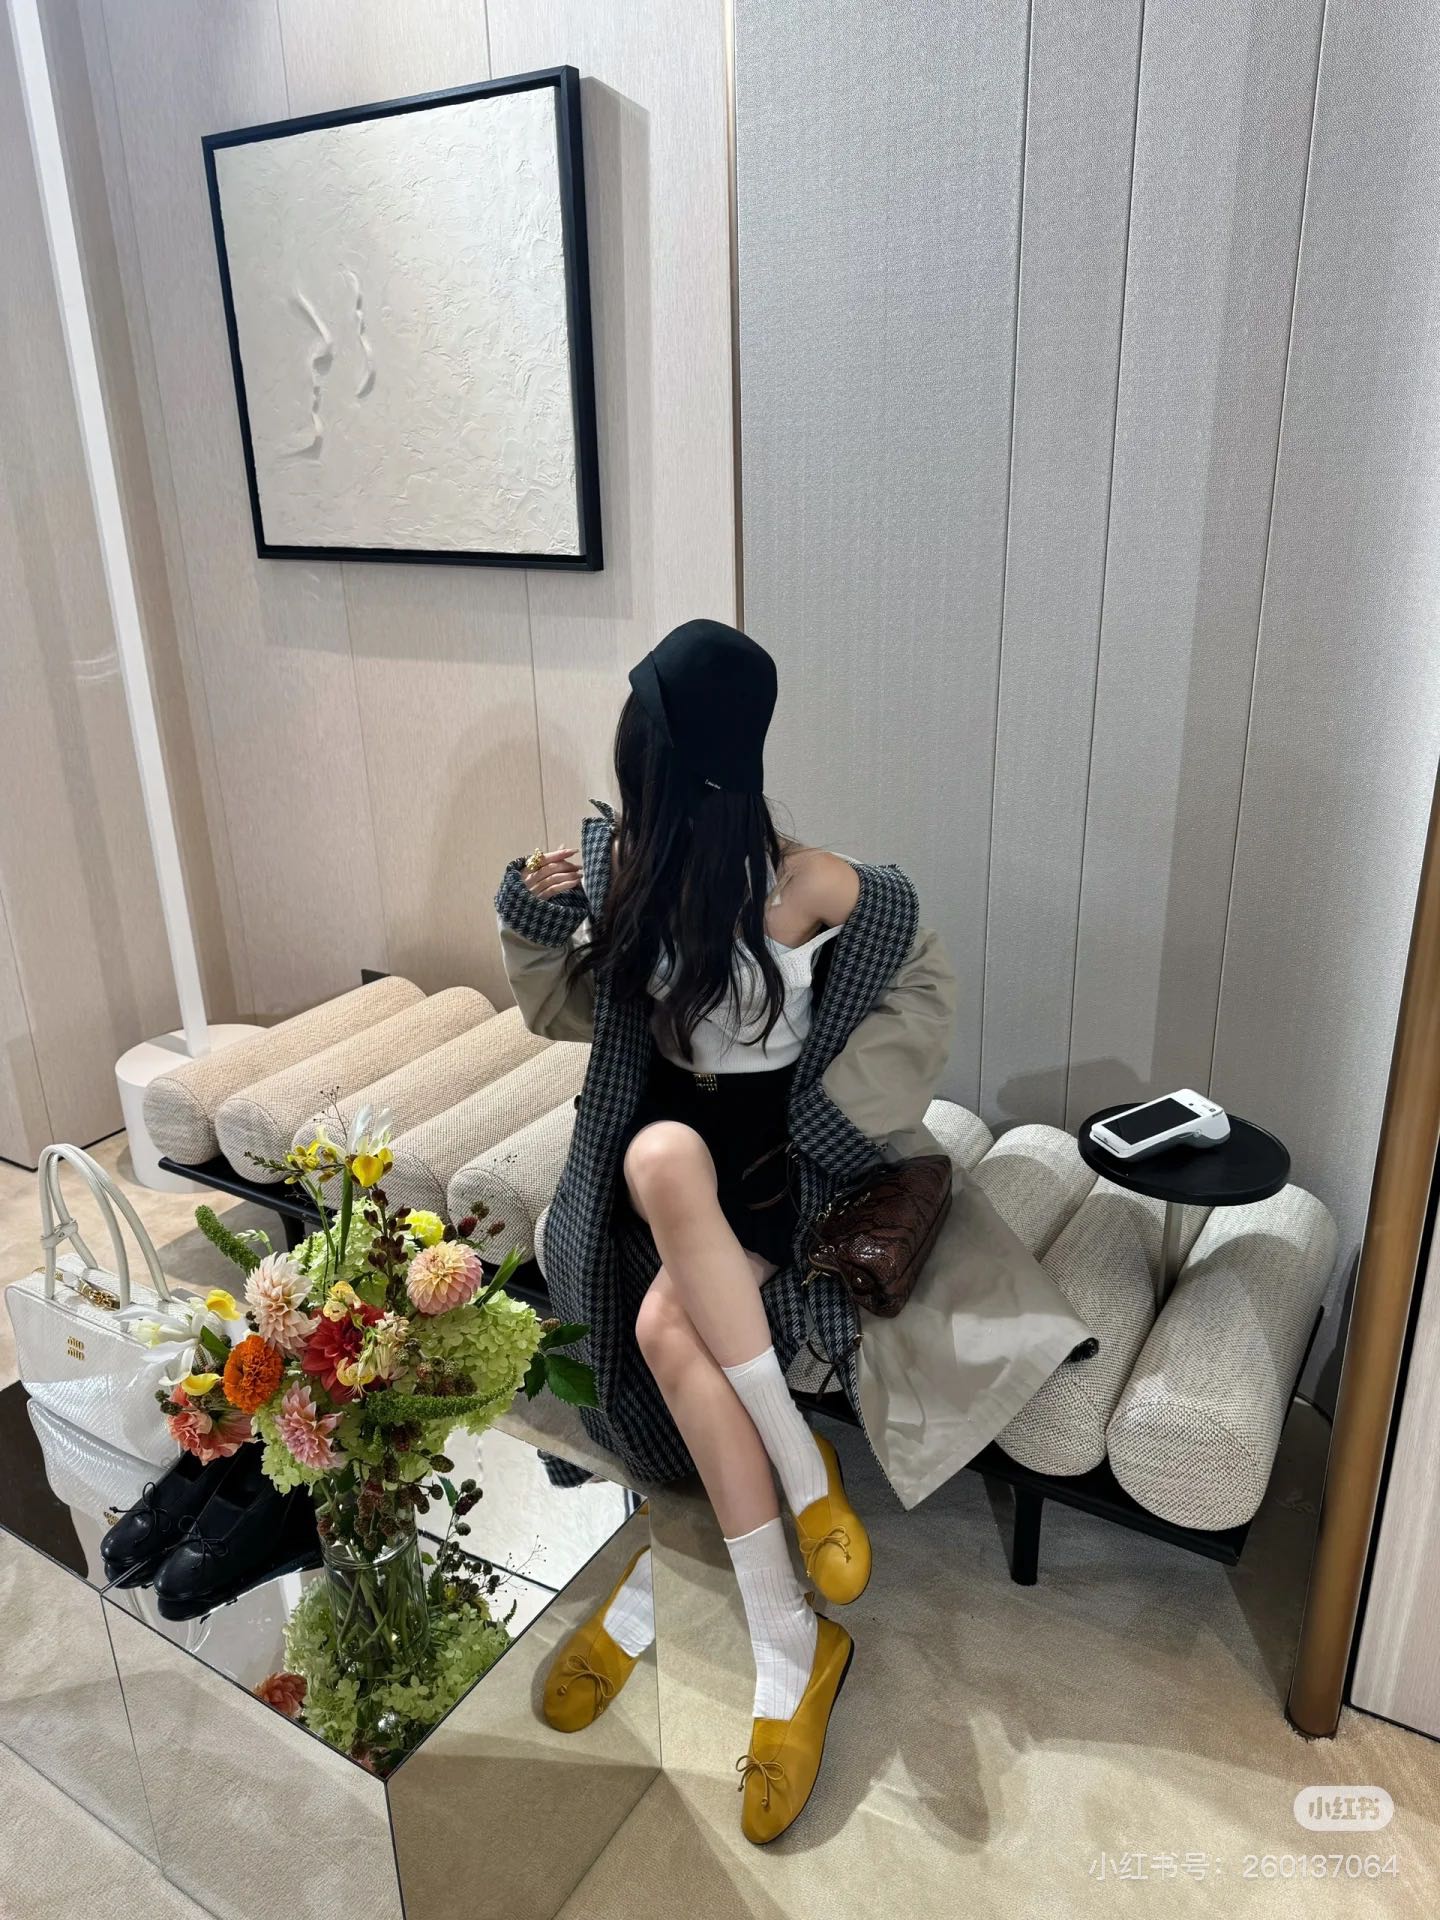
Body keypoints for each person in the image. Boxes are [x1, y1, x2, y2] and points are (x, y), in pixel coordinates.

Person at [493, 619, 1086, 1843]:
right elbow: (569, 1015)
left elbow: (917, 974)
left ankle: (786, 1630)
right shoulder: (621, 865)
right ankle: (798, 1522)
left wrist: (838, 1111)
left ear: (682, 768)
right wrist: (532, 913)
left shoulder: (807, 882)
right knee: (658, 1167)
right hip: (660, 1145)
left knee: (667, 1326)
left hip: (773, 1163)